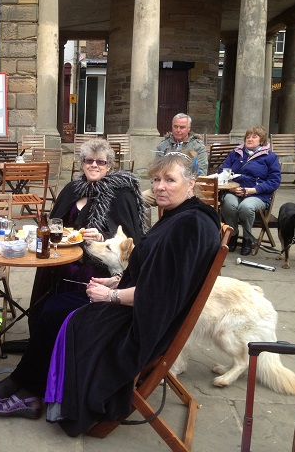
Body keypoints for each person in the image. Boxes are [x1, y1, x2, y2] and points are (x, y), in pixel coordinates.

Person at [0, 138, 148, 418]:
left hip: (96, 274)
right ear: (82, 163)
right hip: (61, 261)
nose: (94, 166)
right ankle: (36, 364)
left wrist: (102, 236)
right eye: (89, 161)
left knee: (55, 308)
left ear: (110, 166)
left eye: (101, 162)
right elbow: (54, 223)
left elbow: (130, 242)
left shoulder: (120, 193)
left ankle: (27, 386)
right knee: (46, 300)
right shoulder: (73, 188)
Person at [44, 151, 221, 436]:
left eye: (170, 180)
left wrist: (111, 297)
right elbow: (157, 275)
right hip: (143, 309)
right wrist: (117, 281)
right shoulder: (182, 215)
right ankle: (40, 384)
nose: (160, 186)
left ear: (192, 183)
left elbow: (159, 296)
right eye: (156, 179)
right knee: (55, 307)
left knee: (65, 316)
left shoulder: (190, 225)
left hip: (145, 327)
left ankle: (63, 399)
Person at [218, 125, 281, 255]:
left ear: (262, 141)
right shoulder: (235, 153)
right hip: (234, 191)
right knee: (228, 203)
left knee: (246, 207)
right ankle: (233, 234)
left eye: (254, 137)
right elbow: (222, 171)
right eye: (248, 136)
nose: (250, 139)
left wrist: (252, 190)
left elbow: (274, 181)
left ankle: (247, 238)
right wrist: (232, 188)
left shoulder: (270, 157)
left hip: (257, 194)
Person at [142, 113, 207, 207]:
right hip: (163, 186)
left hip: (188, 189)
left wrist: (184, 187)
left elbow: (202, 172)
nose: (178, 130)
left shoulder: (197, 146)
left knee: (186, 203)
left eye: (182, 127)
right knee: (139, 199)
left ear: (189, 128)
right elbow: (154, 171)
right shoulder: (163, 145)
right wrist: (157, 187)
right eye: (175, 127)